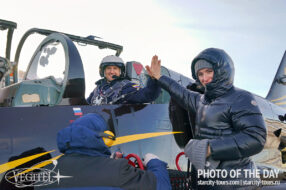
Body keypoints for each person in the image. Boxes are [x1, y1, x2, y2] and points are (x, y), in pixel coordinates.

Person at [146, 48, 266, 189]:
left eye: (209, 72)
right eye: (200, 74)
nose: (204, 78)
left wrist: (211, 148)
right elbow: (181, 93)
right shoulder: (201, 100)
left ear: (223, 71)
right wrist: (160, 77)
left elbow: (256, 137)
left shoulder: (241, 98)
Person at [39, 113, 171, 190]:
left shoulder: (45, 172)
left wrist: (107, 160)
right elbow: (162, 186)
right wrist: (154, 162)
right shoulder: (118, 170)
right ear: (103, 138)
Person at [87, 55, 161, 105]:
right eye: (108, 68)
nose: (112, 71)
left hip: (113, 124)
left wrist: (154, 80)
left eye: (115, 68)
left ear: (120, 72)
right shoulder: (98, 89)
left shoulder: (127, 87)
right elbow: (84, 105)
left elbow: (147, 95)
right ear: (103, 71)